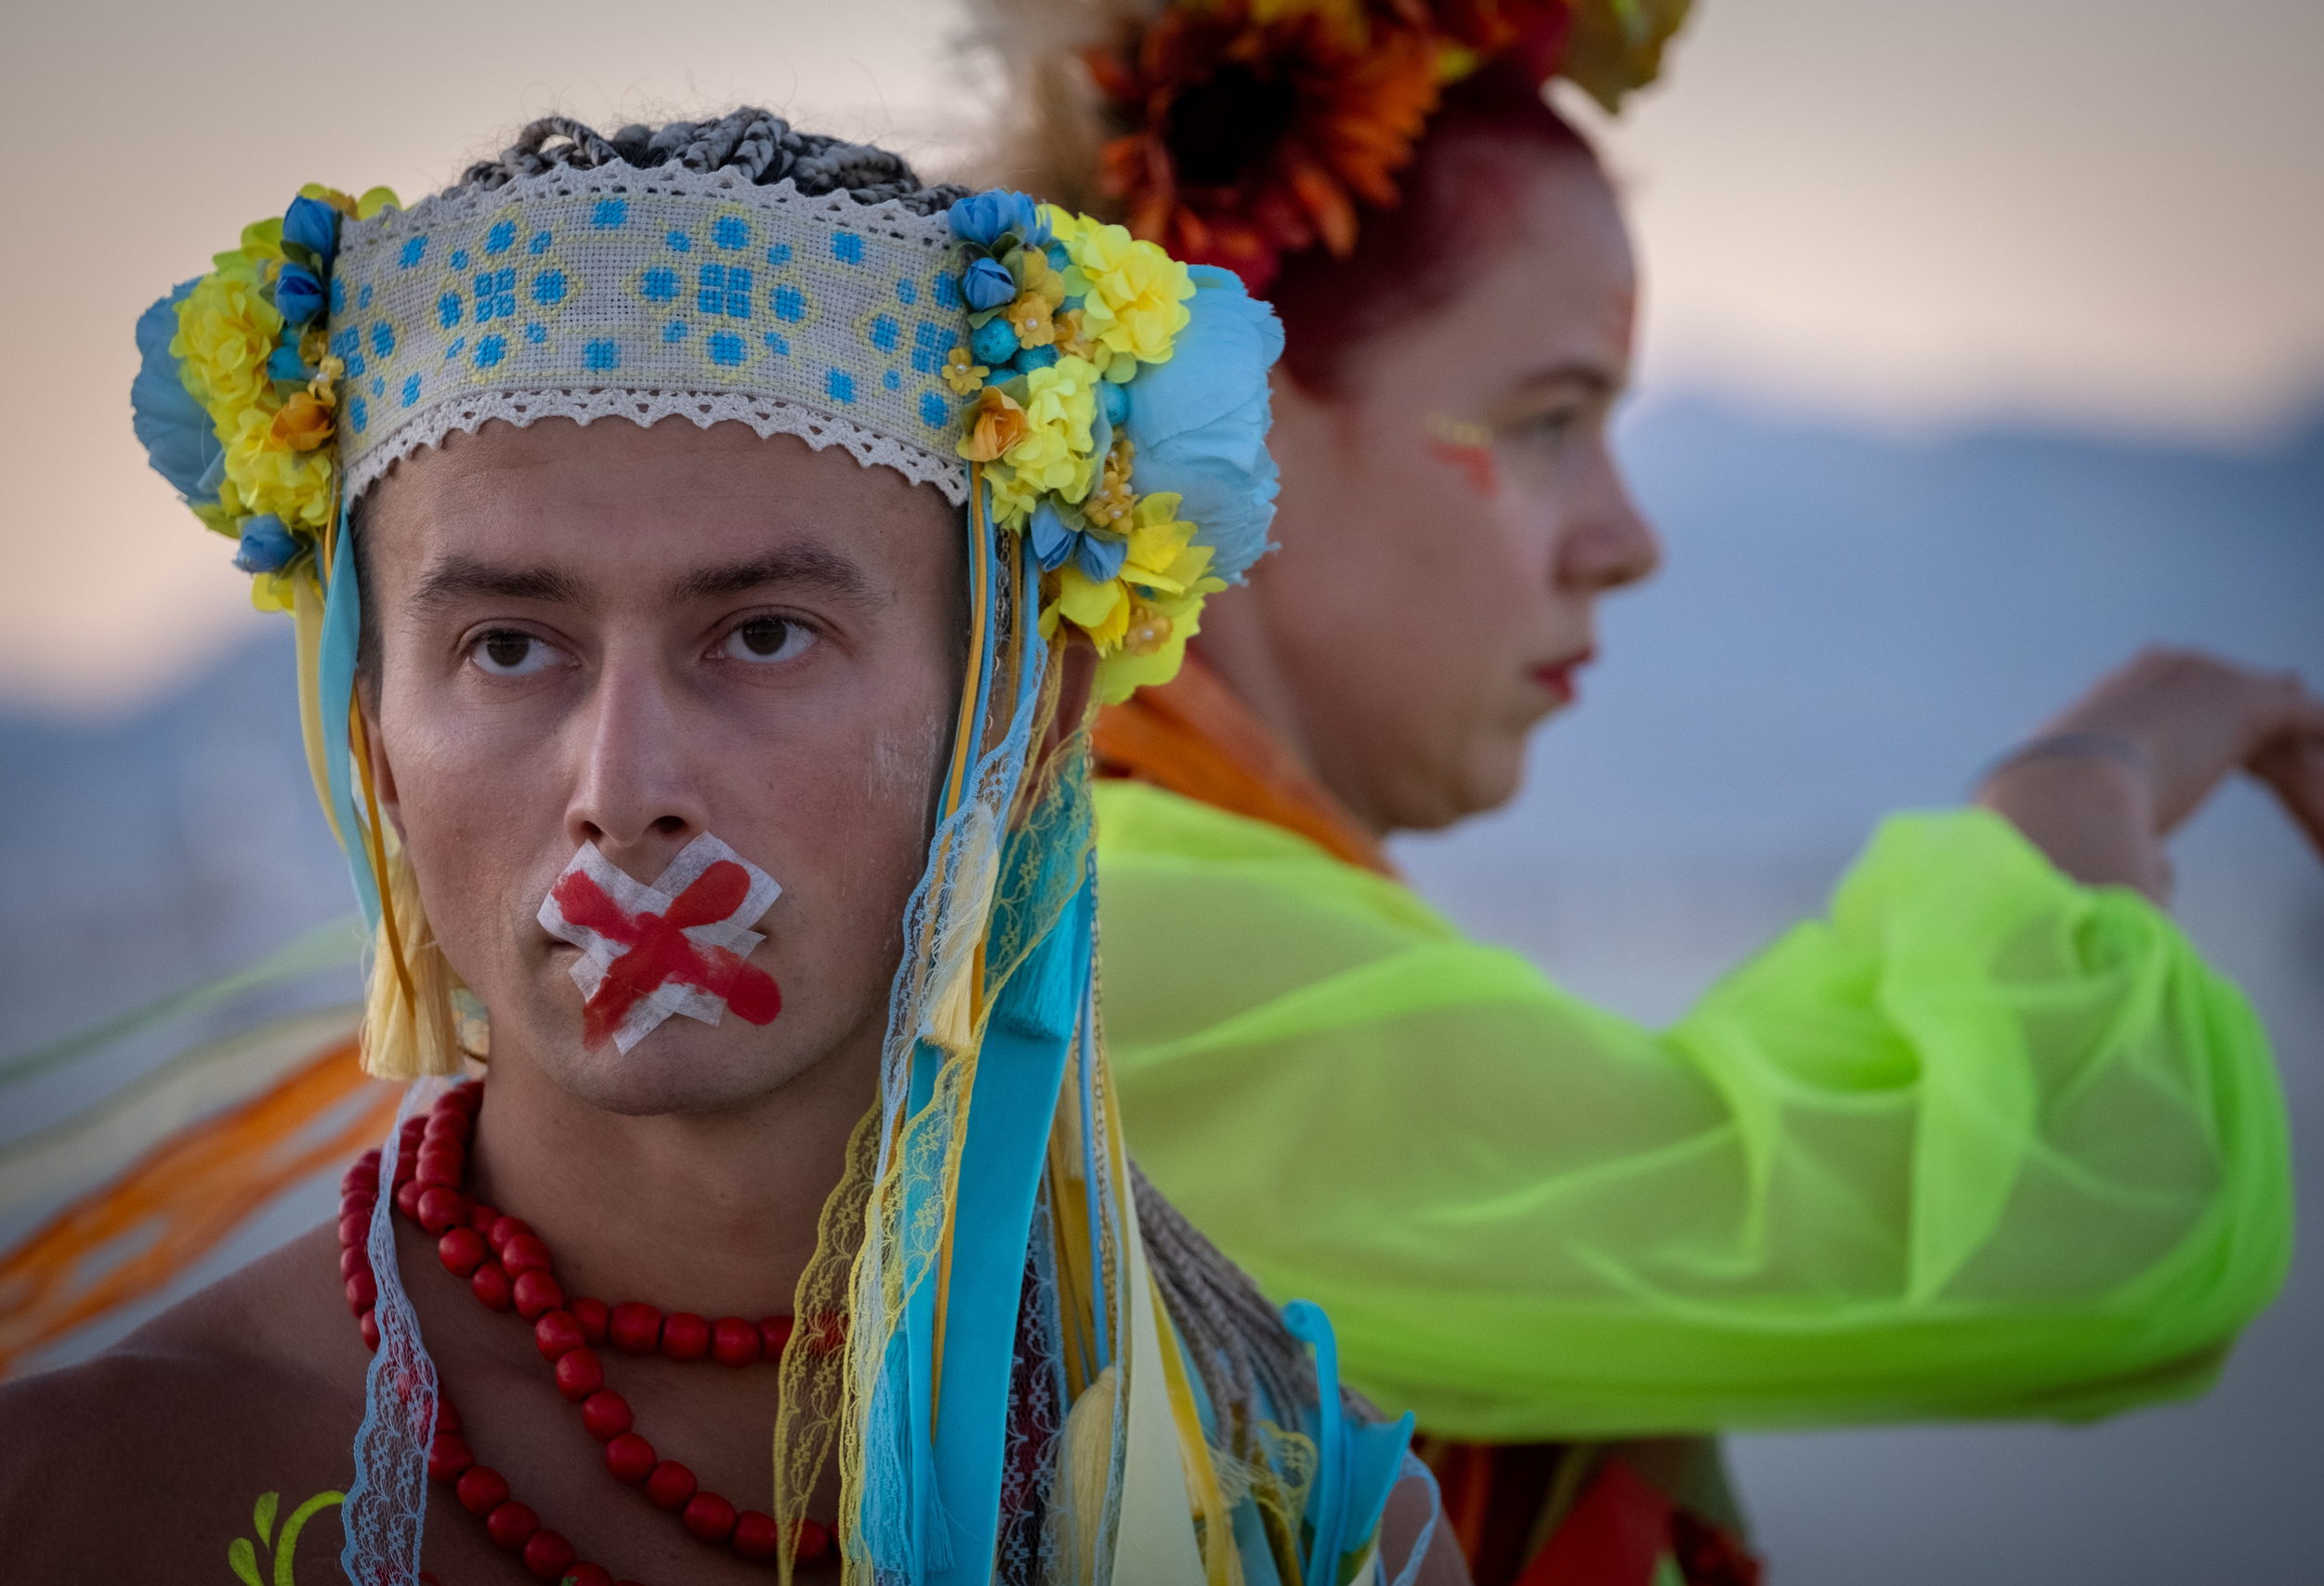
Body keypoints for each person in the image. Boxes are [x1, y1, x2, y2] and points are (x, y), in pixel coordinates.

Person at [977, 1, 2324, 1580]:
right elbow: (2061, 1232)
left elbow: (1693, 1128)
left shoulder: (1123, 882)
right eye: (1547, 423)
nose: (1631, 538)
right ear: (1232, 431)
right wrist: (2069, 807)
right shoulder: (1116, 931)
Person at [0, 111, 1464, 1585]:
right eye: (509, 647)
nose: (622, 786)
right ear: (374, 730)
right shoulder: (85, 1500)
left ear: (1019, 714)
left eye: (763, 635)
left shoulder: (1291, 1520)